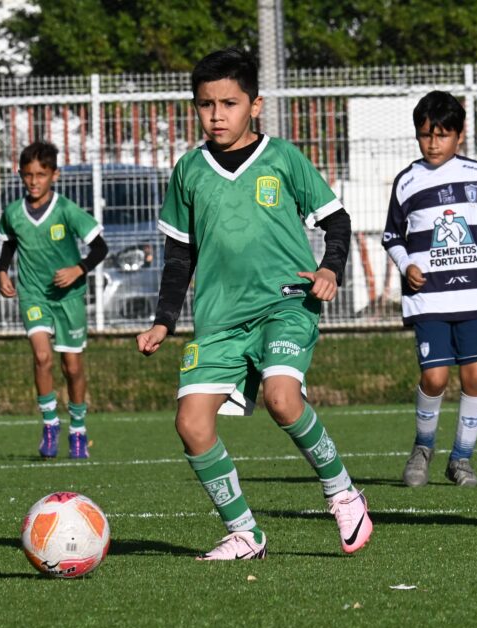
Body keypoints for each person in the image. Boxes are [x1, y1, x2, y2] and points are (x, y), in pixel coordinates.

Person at [136, 48, 372, 560]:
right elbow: (180, 255)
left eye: (229, 103)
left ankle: (342, 491)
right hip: (220, 320)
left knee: (282, 397)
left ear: (255, 105)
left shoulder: (283, 158)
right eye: (205, 104)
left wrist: (330, 268)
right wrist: (163, 320)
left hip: (285, 304)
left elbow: (336, 221)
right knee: (191, 424)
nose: (217, 114)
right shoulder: (189, 171)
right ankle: (245, 532)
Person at [381, 90, 477, 488]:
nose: (433, 143)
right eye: (425, 135)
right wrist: (407, 264)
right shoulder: (407, 181)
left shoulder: (476, 175)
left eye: (443, 135)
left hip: (476, 296)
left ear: (460, 135)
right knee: (434, 378)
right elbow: (391, 236)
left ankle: (462, 459)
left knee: (475, 377)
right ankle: (422, 449)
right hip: (430, 299)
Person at [0, 140, 109, 459]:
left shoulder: (65, 210)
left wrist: (79, 269)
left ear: (54, 175)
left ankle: (78, 429)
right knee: (42, 357)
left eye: (41, 174)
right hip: (33, 293)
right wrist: (2, 272)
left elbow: (100, 247)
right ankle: (49, 424)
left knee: (72, 367)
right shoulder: (13, 213)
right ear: (20, 175)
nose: (34, 181)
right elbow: (9, 244)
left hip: (68, 297)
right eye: (28, 175)